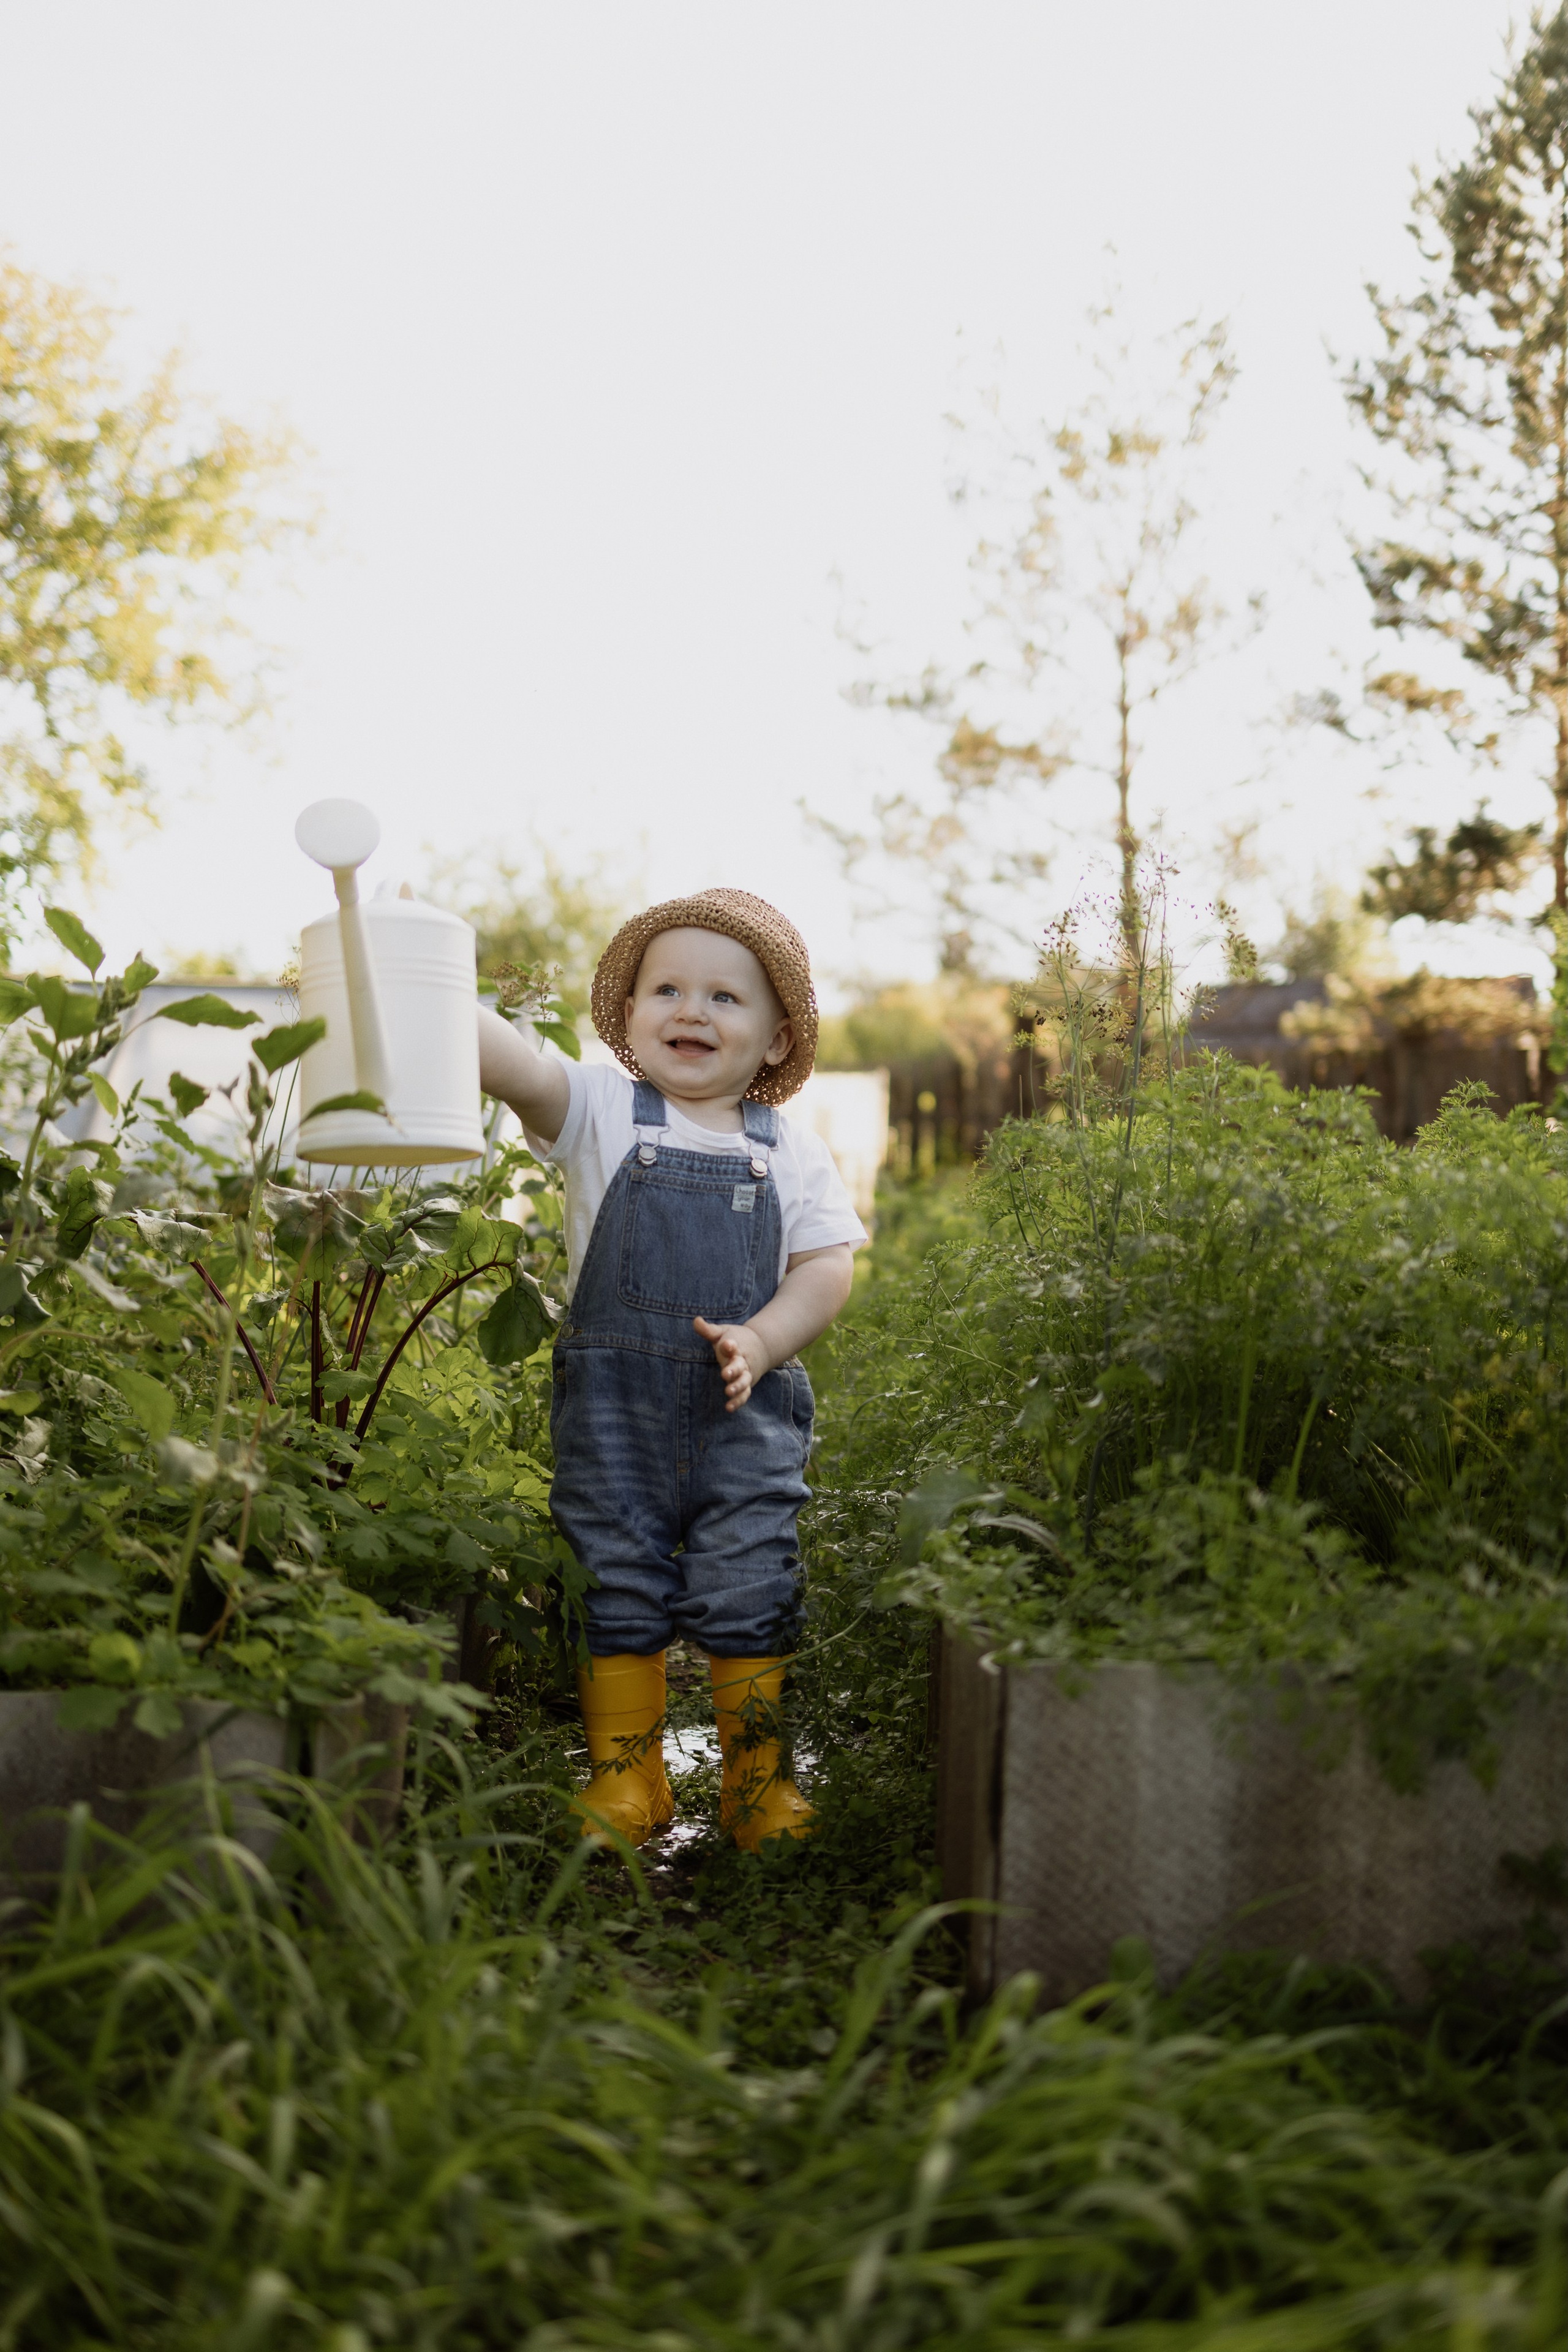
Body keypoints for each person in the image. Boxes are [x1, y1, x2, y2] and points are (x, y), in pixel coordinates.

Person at [477, 888, 867, 1852]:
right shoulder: (601, 1110)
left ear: (777, 1040)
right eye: (667, 990)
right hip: (614, 1414)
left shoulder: (792, 1151)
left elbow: (827, 1266)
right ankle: (629, 1778)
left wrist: (764, 1340)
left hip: (744, 1414)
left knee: (751, 1576)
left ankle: (756, 1785)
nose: (692, 1011)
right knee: (613, 1573)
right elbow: (517, 1069)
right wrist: (435, 987)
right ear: (630, 1012)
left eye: (725, 998)